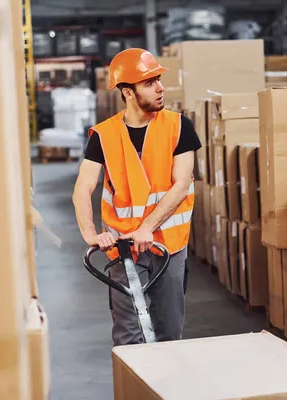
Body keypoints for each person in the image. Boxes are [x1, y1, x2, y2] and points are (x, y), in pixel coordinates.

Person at [72, 48, 202, 346]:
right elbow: (82, 188)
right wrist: (91, 234)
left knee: (170, 333)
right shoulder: (103, 136)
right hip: (125, 249)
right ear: (127, 92)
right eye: (149, 83)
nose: (160, 88)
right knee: (128, 334)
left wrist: (148, 228)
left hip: (169, 247)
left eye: (158, 80)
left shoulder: (179, 127)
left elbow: (181, 184)